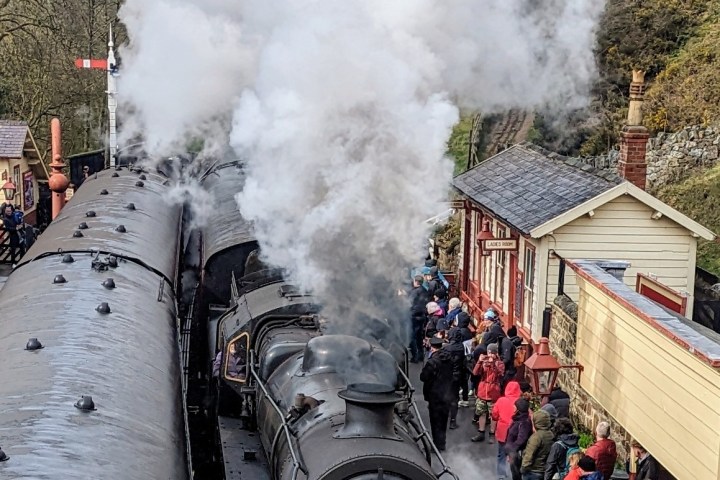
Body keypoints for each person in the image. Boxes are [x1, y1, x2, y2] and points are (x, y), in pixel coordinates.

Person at [420, 337, 455, 452]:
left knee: (435, 421)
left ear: (432, 347)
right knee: (444, 420)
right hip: (447, 393)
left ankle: (436, 445)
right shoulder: (449, 359)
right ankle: (442, 443)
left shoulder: (432, 362)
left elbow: (423, 377)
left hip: (435, 395)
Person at [471, 342, 504, 443]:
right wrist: (479, 362)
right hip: (482, 391)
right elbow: (475, 373)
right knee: (481, 412)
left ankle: (492, 433)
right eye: (488, 352)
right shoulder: (484, 361)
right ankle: (481, 432)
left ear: (495, 353)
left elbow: (500, 373)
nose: (489, 354)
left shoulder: (500, 363)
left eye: (491, 352)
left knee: (493, 415)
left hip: (493, 392)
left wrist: (493, 363)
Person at [492, 381, 522, 480]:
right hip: (516, 432)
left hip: (502, 432)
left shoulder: (501, 400)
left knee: (501, 453)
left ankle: (501, 475)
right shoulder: (520, 402)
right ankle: (516, 474)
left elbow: (494, 415)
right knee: (515, 453)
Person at [505, 398, 533, 480]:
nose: (513, 408)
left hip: (517, 454)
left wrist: (511, 450)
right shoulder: (518, 419)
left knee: (517, 475)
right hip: (513, 453)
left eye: (514, 407)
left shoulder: (523, 422)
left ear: (518, 409)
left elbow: (522, 439)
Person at [521, 409, 554, 480]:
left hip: (533, 471)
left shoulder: (536, 437)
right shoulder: (551, 434)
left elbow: (529, 454)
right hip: (544, 469)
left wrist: (523, 468)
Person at [445, 329, 468, 429]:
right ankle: (453, 421)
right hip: (457, 375)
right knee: (454, 398)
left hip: (447, 375)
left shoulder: (447, 348)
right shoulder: (461, 347)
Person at [409, 275, 430, 363]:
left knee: (412, 337)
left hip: (414, 316)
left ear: (416, 282)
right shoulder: (424, 290)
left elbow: (409, 302)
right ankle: (421, 355)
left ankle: (415, 356)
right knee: (419, 336)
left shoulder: (414, 292)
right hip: (422, 316)